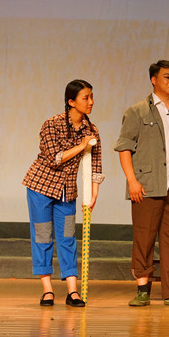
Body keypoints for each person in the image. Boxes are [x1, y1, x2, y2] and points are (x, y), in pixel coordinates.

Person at [114, 60, 169, 307]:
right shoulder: (138, 111)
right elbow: (124, 148)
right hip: (147, 184)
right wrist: (132, 181)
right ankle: (142, 290)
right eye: (167, 77)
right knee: (144, 238)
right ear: (154, 80)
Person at [22, 79, 104, 307]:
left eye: (91, 97)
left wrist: (93, 193)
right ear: (71, 101)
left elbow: (96, 163)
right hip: (41, 187)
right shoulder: (52, 124)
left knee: (68, 237)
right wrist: (81, 146)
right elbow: (54, 158)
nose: (91, 102)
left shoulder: (91, 129)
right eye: (85, 98)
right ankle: (47, 290)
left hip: (67, 191)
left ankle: (72, 291)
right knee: (43, 236)